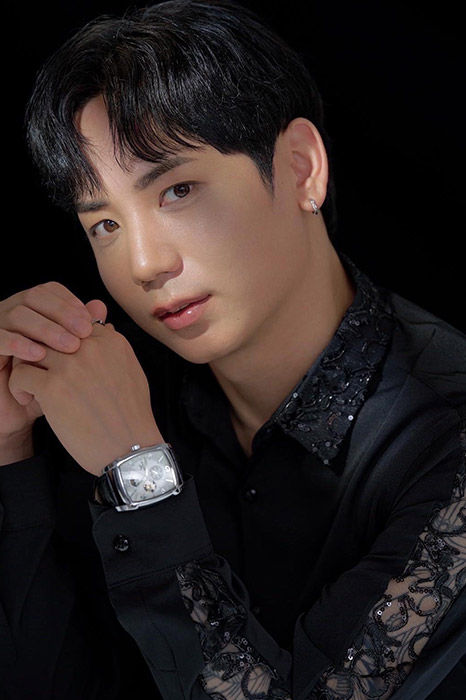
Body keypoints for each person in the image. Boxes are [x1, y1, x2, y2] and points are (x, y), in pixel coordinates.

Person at [0, 0, 465, 698]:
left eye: (178, 190)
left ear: (302, 168)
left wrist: (140, 476)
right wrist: (8, 451)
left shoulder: (448, 442)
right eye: (104, 225)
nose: (143, 264)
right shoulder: (118, 394)